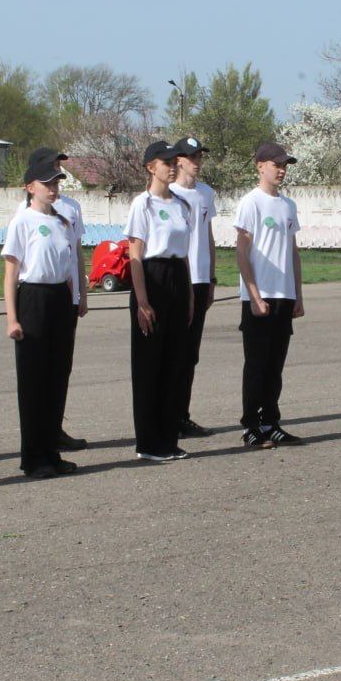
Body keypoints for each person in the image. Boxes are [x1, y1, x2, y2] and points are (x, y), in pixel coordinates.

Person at [2, 160, 83, 478]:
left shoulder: (63, 220)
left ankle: (52, 450)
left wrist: (74, 297)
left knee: (56, 377)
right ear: (30, 187)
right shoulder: (22, 221)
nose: (53, 188)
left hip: (59, 299)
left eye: (56, 183)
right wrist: (12, 318)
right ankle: (34, 457)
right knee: (34, 381)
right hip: (33, 298)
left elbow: (69, 263)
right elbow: (11, 273)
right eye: (47, 183)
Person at [125, 141, 195, 461]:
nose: (171, 166)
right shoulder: (143, 205)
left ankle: (168, 437)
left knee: (175, 363)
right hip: (151, 279)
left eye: (173, 161)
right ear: (150, 167)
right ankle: (149, 442)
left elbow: (185, 255)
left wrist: (190, 294)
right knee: (149, 365)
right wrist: (142, 301)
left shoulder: (182, 205)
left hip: (178, 279)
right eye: (165, 162)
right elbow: (135, 254)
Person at [234, 143, 306, 450]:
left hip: (284, 295)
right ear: (260, 166)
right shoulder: (251, 203)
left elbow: (292, 251)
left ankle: (270, 422)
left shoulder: (287, 205)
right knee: (257, 364)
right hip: (260, 296)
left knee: (275, 365)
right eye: (276, 164)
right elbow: (241, 250)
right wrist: (253, 294)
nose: (281, 169)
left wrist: (298, 295)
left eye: (284, 165)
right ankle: (251, 425)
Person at [169, 135, 218, 438]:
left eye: (200, 156)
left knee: (190, 353)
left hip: (200, 280)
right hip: (178, 280)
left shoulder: (205, 194)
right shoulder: (169, 194)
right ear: (179, 160)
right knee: (174, 350)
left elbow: (208, 237)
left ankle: (182, 414)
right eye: (193, 157)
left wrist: (211, 278)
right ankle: (168, 413)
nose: (197, 162)